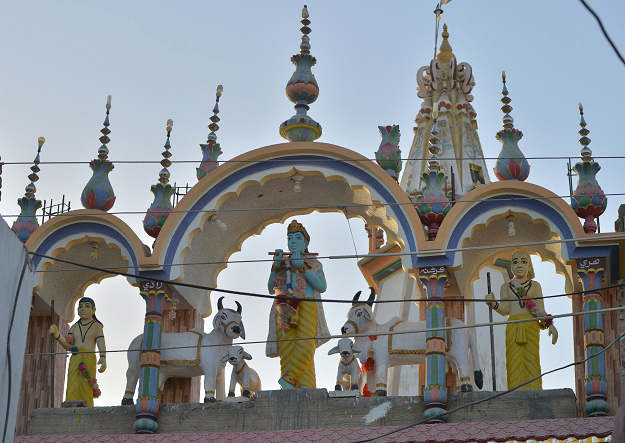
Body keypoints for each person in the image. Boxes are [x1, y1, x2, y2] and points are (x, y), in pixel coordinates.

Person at [266, 220, 330, 389]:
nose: (293, 241)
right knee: (287, 348)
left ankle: (291, 380)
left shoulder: (314, 263)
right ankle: (289, 385)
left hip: (307, 305)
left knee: (306, 344)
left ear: (306, 243)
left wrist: (302, 267)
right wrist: (275, 265)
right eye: (290, 238)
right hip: (283, 307)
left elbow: (321, 287)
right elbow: (271, 289)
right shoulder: (282, 264)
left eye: (298, 238)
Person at [485, 250, 558, 390]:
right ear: (511, 266)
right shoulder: (505, 287)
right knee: (513, 360)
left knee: (532, 359)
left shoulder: (535, 286)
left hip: (531, 326)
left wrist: (550, 326)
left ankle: (534, 390)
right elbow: (505, 309)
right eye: (516, 262)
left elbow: (540, 310)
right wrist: (493, 303)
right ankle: (515, 391)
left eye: (524, 262)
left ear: (529, 267)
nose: (519, 265)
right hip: (513, 325)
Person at [50, 297, 106, 406]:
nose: (83, 309)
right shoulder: (74, 327)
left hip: (89, 358)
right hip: (75, 357)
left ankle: (87, 408)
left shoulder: (97, 326)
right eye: (80, 307)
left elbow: (100, 341)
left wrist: (103, 357)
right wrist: (57, 335)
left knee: (86, 384)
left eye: (86, 306)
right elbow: (68, 346)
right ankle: (70, 406)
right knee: (72, 383)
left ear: (93, 310)